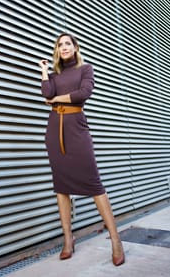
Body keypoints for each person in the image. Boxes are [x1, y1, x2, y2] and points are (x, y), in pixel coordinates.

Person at [38, 33, 125, 266]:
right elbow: (46, 95)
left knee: (94, 183)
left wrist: (57, 98)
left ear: (75, 47)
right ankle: (68, 239)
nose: (63, 47)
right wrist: (44, 72)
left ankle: (116, 240)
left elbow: (83, 94)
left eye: (67, 43)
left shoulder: (86, 68)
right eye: (59, 44)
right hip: (54, 130)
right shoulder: (55, 74)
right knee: (61, 186)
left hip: (77, 129)